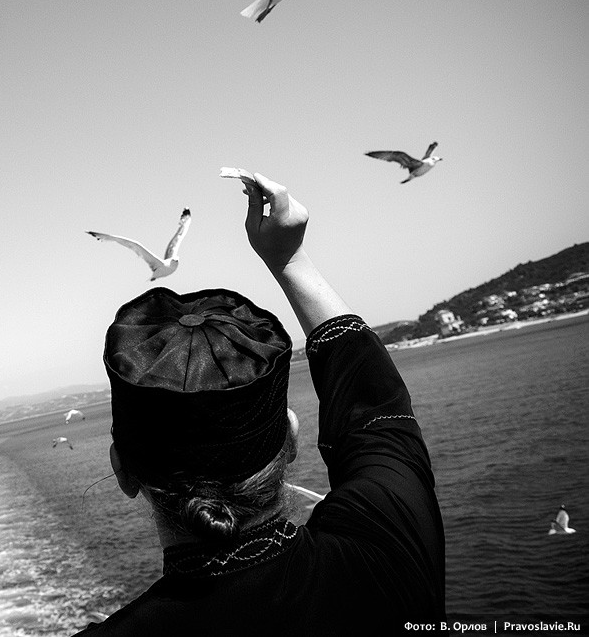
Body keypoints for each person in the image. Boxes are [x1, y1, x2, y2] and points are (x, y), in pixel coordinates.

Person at [74, 172, 445, 635]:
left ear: (123, 470)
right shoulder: (390, 551)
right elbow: (378, 412)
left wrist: (287, 255)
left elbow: (378, 415)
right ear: (291, 437)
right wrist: (288, 258)